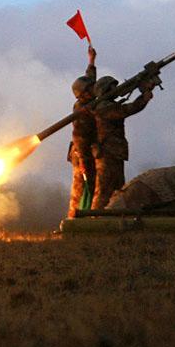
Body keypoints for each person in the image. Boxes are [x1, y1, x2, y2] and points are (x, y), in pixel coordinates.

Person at [90, 71, 157, 211]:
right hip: (107, 153)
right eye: (112, 87)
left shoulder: (107, 105)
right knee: (104, 190)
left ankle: (112, 216)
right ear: (105, 90)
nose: (116, 90)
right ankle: (94, 218)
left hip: (114, 152)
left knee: (117, 189)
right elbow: (128, 109)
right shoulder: (103, 107)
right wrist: (144, 97)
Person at [66, 45, 99, 218]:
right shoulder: (82, 110)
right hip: (81, 154)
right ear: (83, 94)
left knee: (91, 187)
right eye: (90, 89)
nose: (94, 90)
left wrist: (91, 60)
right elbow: (80, 139)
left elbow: (89, 79)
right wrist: (85, 164)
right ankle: (73, 222)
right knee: (80, 190)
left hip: (85, 152)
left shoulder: (88, 99)